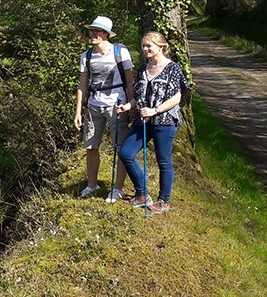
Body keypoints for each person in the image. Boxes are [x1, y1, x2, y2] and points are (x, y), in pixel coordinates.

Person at [116, 31, 186, 214]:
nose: (145, 49)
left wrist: (156, 110)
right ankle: (142, 195)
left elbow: (177, 97)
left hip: (165, 121)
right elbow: (138, 97)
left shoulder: (173, 69)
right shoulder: (143, 69)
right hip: (142, 120)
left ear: (161, 47)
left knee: (163, 161)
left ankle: (164, 201)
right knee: (126, 153)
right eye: (144, 45)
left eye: (149, 46)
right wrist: (127, 106)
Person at [73, 16, 135, 200]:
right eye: (91, 30)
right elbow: (82, 85)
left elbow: (130, 82)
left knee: (120, 147)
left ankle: (118, 188)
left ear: (106, 34)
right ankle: (92, 185)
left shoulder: (120, 52)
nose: (92, 34)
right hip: (94, 105)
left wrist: (132, 105)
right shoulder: (87, 56)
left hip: (117, 105)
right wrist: (78, 111)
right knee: (91, 146)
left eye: (96, 31)